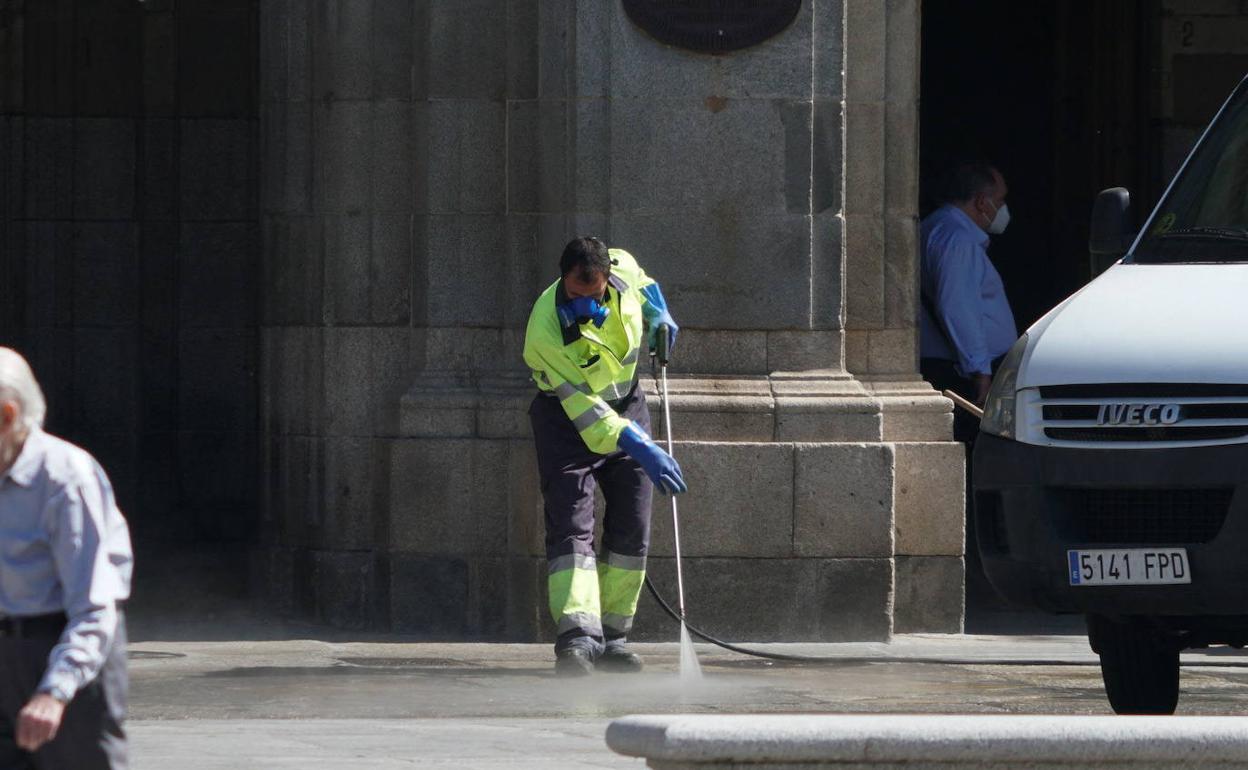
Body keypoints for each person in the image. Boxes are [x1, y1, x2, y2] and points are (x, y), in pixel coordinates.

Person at [522, 236, 688, 676]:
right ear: (563, 281)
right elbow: (584, 411)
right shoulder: (544, 331)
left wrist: (659, 313)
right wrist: (639, 445)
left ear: (607, 280)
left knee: (632, 526)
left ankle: (613, 637)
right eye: (575, 297)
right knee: (572, 527)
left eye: (593, 296)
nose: (586, 307)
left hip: (628, 406)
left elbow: (646, 285)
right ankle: (577, 639)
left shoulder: (622, 268)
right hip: (566, 422)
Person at [0, 348, 133, 769]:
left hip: (63, 653)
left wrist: (54, 692)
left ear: (6, 417)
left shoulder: (65, 478)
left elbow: (94, 606)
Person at [919, 161, 1019, 444]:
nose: (1002, 208)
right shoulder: (957, 240)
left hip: (960, 364)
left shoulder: (940, 229)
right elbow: (958, 307)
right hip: (963, 372)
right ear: (981, 202)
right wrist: (980, 371)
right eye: (999, 201)